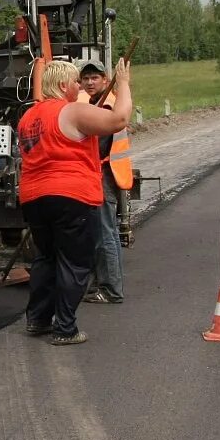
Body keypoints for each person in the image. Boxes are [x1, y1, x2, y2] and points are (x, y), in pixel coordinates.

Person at [17, 58, 132, 345]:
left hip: (33, 196)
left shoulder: (28, 117)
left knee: (46, 258)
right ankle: (65, 329)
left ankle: (38, 319)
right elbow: (119, 120)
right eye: (74, 82)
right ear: (62, 85)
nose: (79, 86)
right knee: (75, 263)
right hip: (71, 195)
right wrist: (124, 84)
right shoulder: (72, 111)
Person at [77, 60, 127, 304]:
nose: (89, 82)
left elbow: (95, 145)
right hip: (103, 175)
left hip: (103, 176)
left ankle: (109, 289)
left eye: (94, 77)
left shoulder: (105, 108)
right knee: (108, 233)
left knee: (104, 233)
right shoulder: (95, 105)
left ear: (105, 80)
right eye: (85, 78)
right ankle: (105, 284)